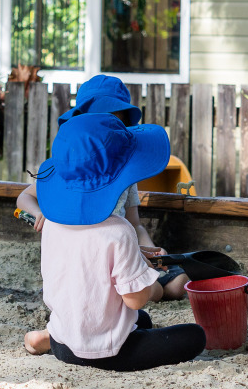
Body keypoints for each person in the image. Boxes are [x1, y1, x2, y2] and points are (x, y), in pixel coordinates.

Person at [19, 106, 207, 372]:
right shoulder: (119, 231)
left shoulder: (52, 222)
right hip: (109, 353)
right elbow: (135, 299)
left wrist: (137, 259)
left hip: (63, 341)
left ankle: (47, 338)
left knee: (141, 320)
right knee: (194, 336)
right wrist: (146, 274)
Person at [16, 74, 188, 301]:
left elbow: (134, 225)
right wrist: (39, 214)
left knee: (179, 283)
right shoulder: (69, 170)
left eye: (112, 127)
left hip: (120, 251)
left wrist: (153, 252)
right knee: (145, 291)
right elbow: (24, 198)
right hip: (80, 254)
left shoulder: (125, 173)